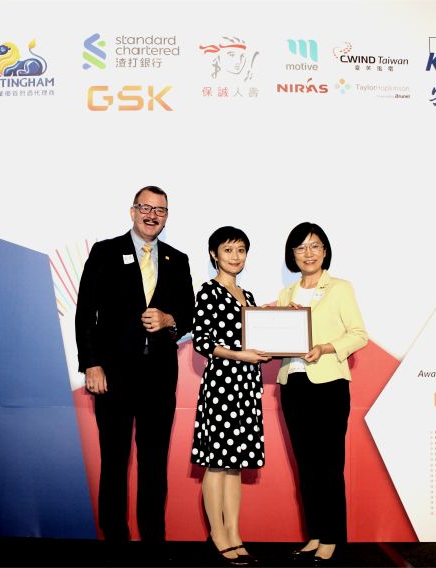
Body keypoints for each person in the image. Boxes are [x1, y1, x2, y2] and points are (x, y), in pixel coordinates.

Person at [75, 185, 195, 553]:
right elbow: (85, 312)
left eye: (160, 210)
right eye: (146, 207)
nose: (152, 215)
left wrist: (169, 319)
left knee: (154, 464)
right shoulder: (105, 252)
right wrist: (91, 363)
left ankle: (153, 541)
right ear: (132, 212)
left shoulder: (178, 260)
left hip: (159, 379)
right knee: (114, 461)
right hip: (113, 377)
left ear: (166, 217)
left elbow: (189, 314)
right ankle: (115, 541)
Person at [275, 222, 368, 565]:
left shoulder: (340, 288)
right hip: (293, 384)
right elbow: (280, 340)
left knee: (329, 465)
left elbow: (359, 334)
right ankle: (314, 534)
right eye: (301, 247)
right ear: (293, 255)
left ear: (325, 250)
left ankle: (332, 537)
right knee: (306, 465)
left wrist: (326, 347)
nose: (308, 253)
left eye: (315, 245)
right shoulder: (286, 294)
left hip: (328, 385)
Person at [191, 226, 271, 566]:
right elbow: (202, 341)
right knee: (217, 463)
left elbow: (258, 336)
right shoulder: (208, 292)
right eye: (228, 250)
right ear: (214, 254)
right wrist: (241, 355)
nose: (235, 256)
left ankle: (235, 533)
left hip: (246, 385)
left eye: (241, 250)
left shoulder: (248, 296)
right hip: (222, 383)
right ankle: (218, 534)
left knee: (235, 464)